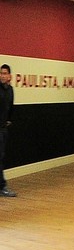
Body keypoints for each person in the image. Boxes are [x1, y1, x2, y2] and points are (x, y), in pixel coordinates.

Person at [0, 63, 16, 198]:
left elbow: (10, 107)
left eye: (5, 73)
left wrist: (8, 120)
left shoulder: (10, 90)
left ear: (9, 76)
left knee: (1, 157)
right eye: (1, 73)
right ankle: (2, 186)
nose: (3, 76)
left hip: (3, 129)